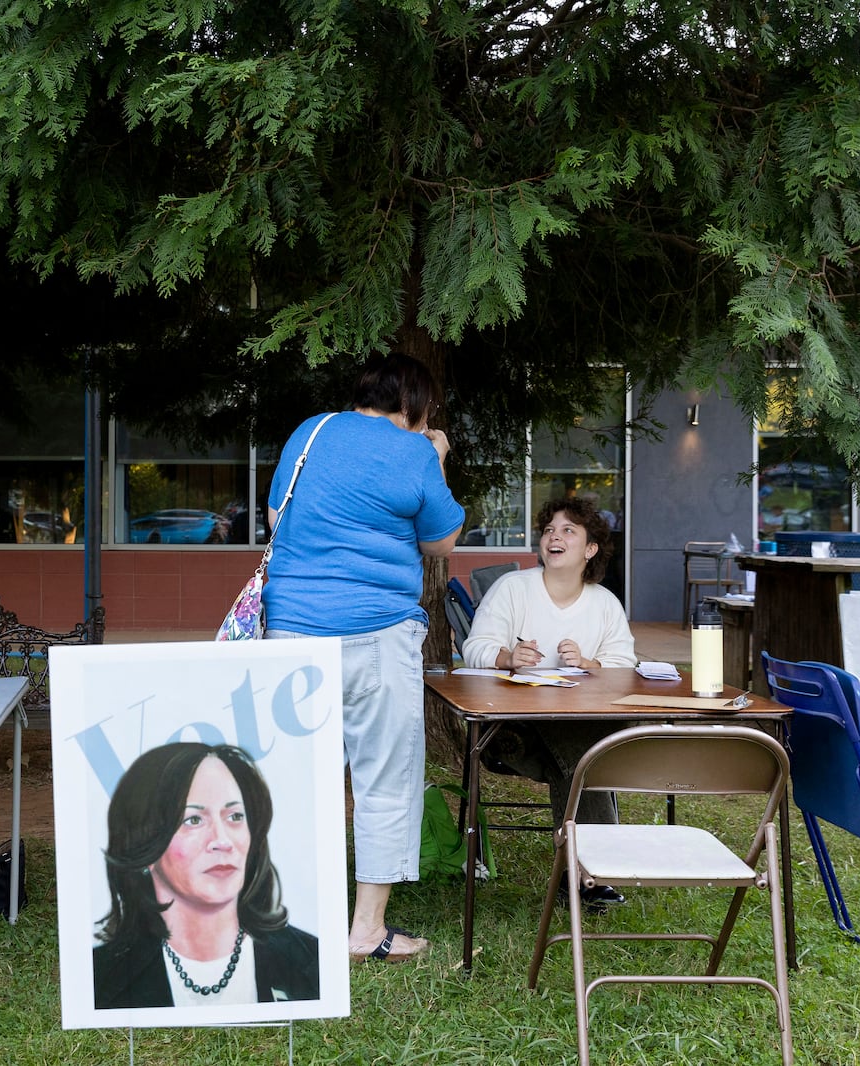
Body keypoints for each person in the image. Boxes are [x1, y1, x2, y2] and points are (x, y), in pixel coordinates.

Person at [261, 353, 463, 963]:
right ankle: (365, 930)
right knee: (384, 780)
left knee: (295, 779)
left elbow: (277, 516)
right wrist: (438, 457)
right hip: (377, 632)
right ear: (415, 407)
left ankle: (286, 917)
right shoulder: (414, 452)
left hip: (292, 631)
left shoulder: (312, 431)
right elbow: (441, 540)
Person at [460, 495, 637, 907]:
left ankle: (579, 875)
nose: (554, 537)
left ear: (590, 549)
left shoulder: (605, 604)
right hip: (510, 733)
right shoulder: (513, 589)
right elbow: (475, 647)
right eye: (549, 530)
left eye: (568, 531)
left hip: (578, 731)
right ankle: (594, 873)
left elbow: (624, 665)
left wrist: (592, 663)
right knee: (586, 751)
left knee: (577, 750)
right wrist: (507, 658)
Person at [93, 743, 318, 1008]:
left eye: (235, 816)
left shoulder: (311, 960)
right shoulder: (101, 979)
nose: (222, 841)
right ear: (144, 841)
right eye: (194, 820)